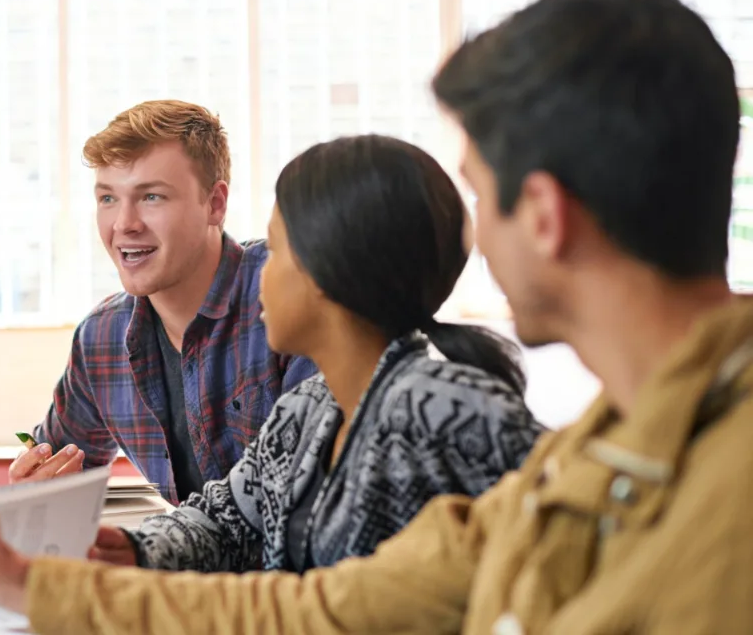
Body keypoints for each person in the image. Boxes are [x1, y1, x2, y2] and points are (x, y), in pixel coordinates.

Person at [0, 0, 753, 633]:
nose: (473, 237)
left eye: (481, 195)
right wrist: (20, 577)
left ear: (542, 215)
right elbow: (314, 607)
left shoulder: (709, 483)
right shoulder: (582, 462)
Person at [87, 135, 541, 573]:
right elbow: (224, 522)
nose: (260, 274)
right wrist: (131, 548)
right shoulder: (309, 410)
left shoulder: (442, 412)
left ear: (329, 272)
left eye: (277, 249)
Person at [11, 100, 317, 504]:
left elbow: (307, 501)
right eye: (107, 199)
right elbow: (56, 480)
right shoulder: (101, 338)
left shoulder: (288, 297)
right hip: (181, 559)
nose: (124, 224)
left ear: (215, 204)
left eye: (151, 197)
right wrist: (35, 491)